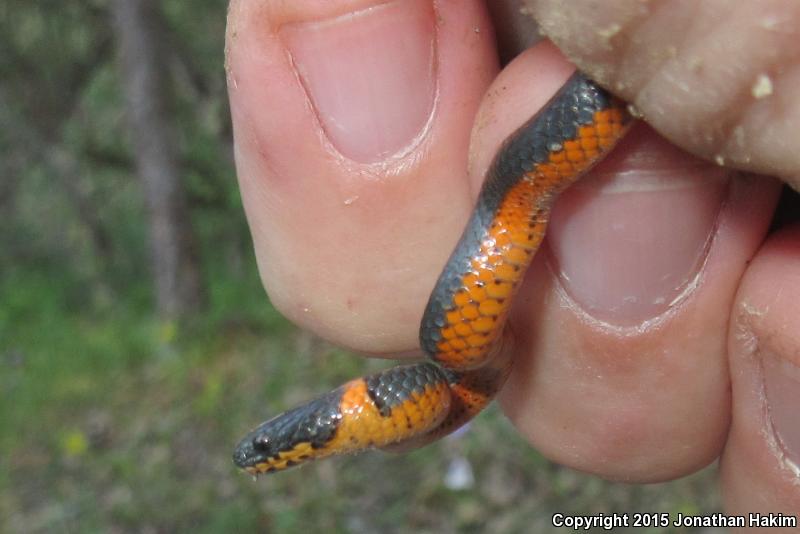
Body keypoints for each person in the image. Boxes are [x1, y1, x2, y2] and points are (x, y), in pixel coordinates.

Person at [225, 0, 800, 519]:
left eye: (270, 450)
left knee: (516, 189)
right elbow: (456, 384)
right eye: (268, 453)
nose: (268, 457)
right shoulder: (445, 382)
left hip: (566, 137)